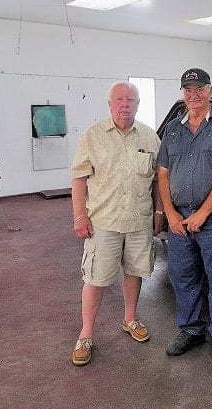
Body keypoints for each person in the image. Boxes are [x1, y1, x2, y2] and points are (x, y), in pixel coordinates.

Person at [70, 81, 164, 366]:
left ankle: (130, 318)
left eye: (131, 100)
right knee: (95, 278)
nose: (125, 104)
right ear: (110, 104)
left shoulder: (150, 138)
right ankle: (86, 334)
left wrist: (159, 213)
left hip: (139, 220)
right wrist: (79, 216)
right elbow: (79, 178)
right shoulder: (92, 136)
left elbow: (158, 181)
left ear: (138, 104)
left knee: (134, 271)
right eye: (119, 99)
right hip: (104, 221)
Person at [157, 68, 212, 364]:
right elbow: (163, 174)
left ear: (209, 90)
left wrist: (203, 213)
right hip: (179, 218)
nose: (193, 95)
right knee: (182, 277)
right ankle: (190, 330)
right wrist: (169, 213)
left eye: (199, 89)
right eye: (188, 90)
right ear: (183, 93)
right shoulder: (172, 130)